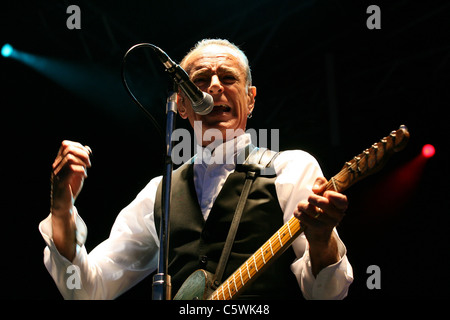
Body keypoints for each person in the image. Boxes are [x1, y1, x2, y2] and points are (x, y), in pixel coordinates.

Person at [40, 39, 353, 300]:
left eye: (228, 78)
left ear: (251, 99)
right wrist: (61, 208)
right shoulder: (159, 193)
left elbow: (327, 295)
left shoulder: (292, 168)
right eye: (200, 81)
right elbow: (85, 290)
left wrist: (322, 239)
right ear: (183, 105)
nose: (214, 86)